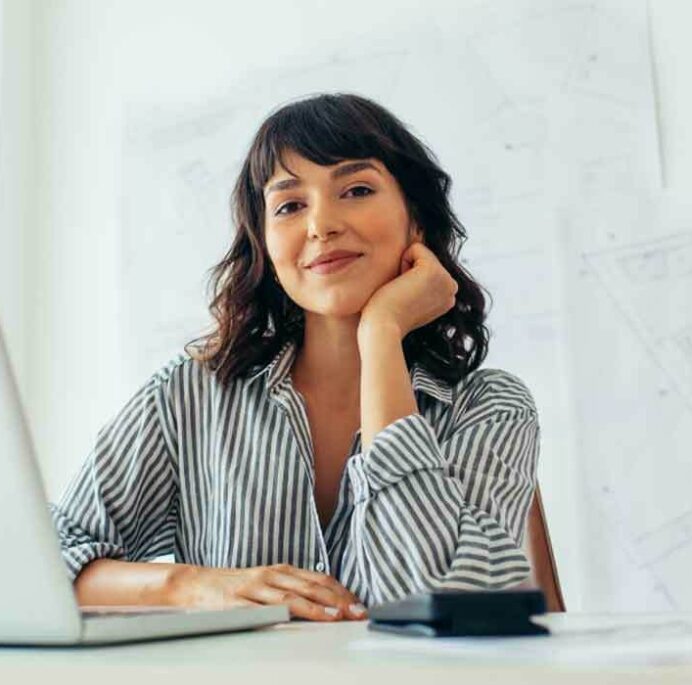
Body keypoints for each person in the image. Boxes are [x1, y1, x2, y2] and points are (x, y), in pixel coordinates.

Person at [49, 93, 540, 622]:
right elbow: (47, 563)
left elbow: (440, 605)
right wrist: (188, 585)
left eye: (356, 189)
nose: (320, 225)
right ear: (264, 243)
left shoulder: (492, 406)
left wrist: (382, 334)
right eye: (289, 205)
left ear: (415, 220)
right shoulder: (189, 393)